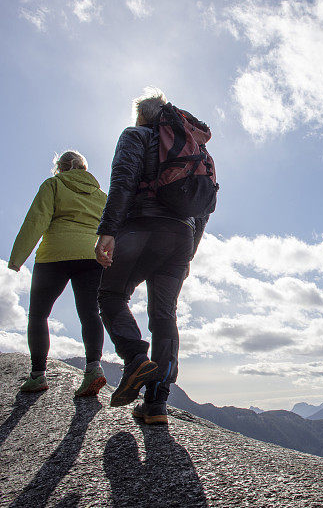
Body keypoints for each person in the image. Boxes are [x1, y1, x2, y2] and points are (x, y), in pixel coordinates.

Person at [95, 87, 208, 424]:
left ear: (141, 115)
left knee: (111, 294)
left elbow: (123, 181)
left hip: (141, 226)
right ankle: (156, 404)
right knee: (164, 314)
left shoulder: (136, 135)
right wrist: (189, 254)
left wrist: (108, 230)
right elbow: (204, 208)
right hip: (181, 236)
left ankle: (134, 358)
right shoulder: (196, 151)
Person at [8, 150, 108, 396]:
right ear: (84, 169)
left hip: (54, 256)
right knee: (90, 313)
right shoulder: (102, 195)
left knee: (39, 315)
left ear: (61, 168)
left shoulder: (53, 184)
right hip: (91, 255)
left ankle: (37, 376)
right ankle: (94, 369)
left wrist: (17, 258)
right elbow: (111, 228)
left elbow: (37, 220)